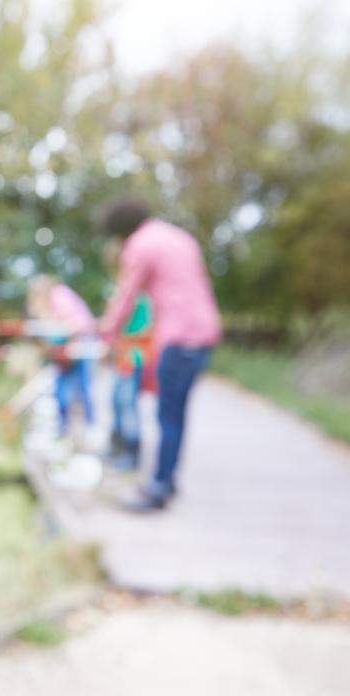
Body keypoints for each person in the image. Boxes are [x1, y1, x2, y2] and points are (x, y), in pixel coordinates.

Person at [97, 196, 221, 510]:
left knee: (168, 415)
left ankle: (158, 488)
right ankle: (166, 480)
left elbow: (127, 295)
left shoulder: (140, 246)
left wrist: (106, 334)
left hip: (179, 337)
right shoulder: (178, 237)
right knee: (176, 414)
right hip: (204, 331)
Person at [26, 274, 97, 439]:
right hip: (63, 349)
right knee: (61, 392)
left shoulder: (59, 295)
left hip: (80, 343)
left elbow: (75, 325)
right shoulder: (44, 304)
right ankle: (63, 431)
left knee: (82, 390)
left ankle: (89, 430)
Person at [106, 294, 152, 471]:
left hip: (133, 360)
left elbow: (141, 331)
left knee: (127, 406)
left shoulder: (139, 301)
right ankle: (116, 448)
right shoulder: (128, 296)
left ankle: (131, 455)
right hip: (123, 360)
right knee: (116, 403)